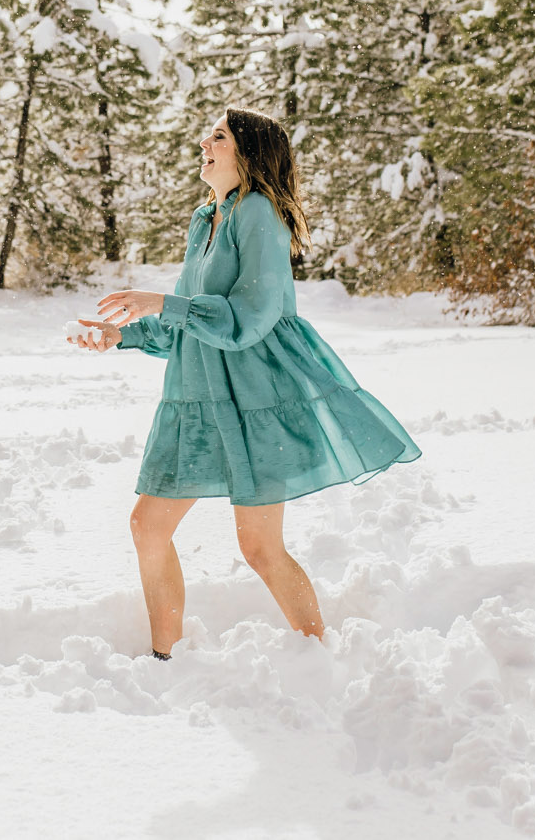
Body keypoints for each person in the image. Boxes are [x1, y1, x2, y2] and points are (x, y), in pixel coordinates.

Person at [71, 107, 421, 657]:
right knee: (148, 527)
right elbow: (189, 324)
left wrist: (166, 301)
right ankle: (166, 658)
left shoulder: (259, 212)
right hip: (195, 399)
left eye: (219, 137)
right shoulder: (205, 218)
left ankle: (317, 655)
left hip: (255, 400)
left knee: (260, 547)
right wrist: (126, 336)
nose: (203, 143)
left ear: (249, 155)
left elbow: (248, 317)